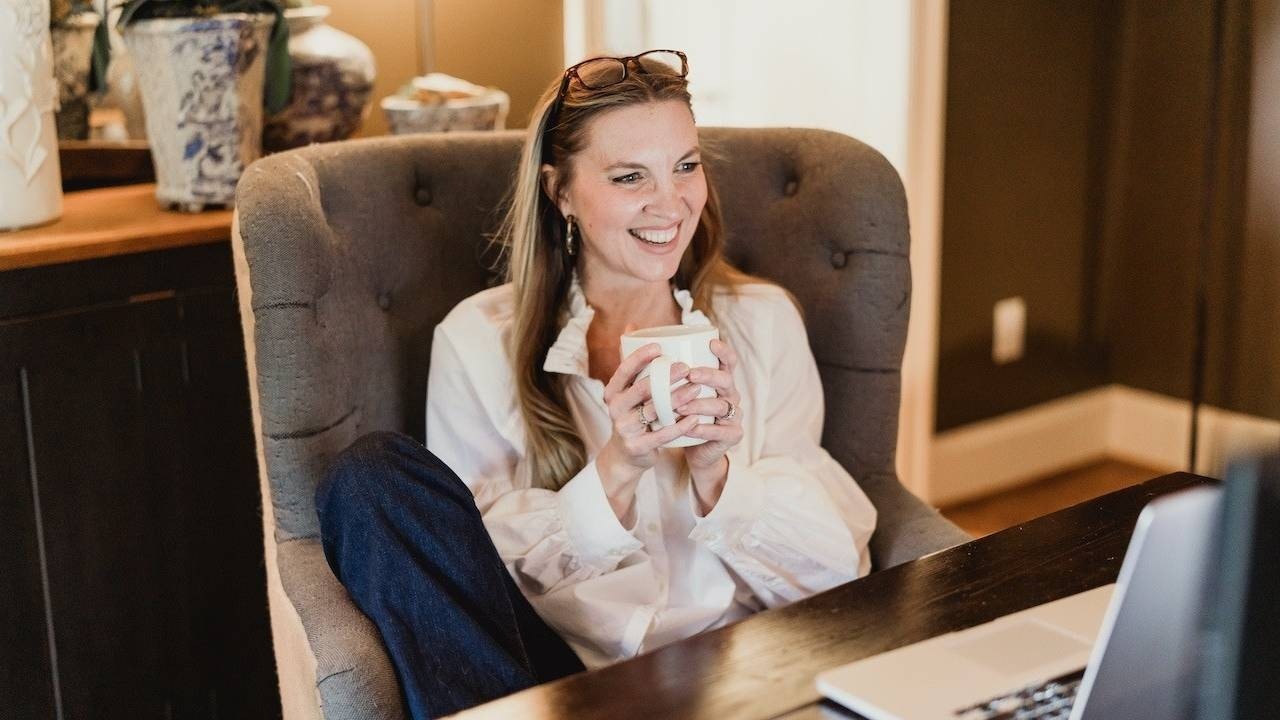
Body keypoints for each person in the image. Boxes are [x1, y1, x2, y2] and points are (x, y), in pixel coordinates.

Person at [316, 49, 877, 719]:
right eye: (630, 176)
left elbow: (836, 567)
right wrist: (616, 468)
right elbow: (467, 573)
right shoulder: (478, 338)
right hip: (551, 675)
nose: (670, 204)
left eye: (686, 166)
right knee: (367, 477)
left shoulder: (762, 322)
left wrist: (717, 474)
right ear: (560, 193)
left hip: (734, 668)